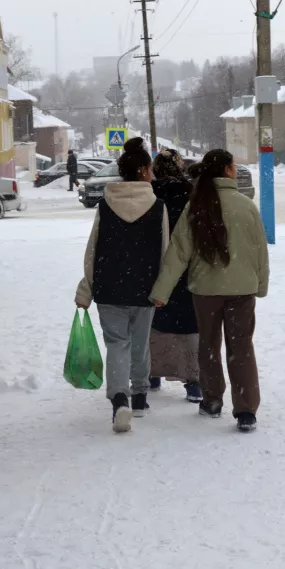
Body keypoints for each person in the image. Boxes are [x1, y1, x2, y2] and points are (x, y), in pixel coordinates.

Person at [150, 149, 269, 433]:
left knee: (209, 346)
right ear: (228, 170)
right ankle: (246, 411)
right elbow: (259, 252)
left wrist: (162, 290)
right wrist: (260, 286)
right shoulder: (246, 206)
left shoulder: (196, 205)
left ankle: (212, 400)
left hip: (205, 291)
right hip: (242, 290)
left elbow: (178, 253)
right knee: (242, 347)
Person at [75, 137, 168, 433]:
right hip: (145, 286)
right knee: (140, 343)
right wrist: (162, 289)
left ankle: (119, 399)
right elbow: (165, 251)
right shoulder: (158, 206)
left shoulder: (105, 205)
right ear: (143, 170)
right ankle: (139, 395)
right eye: (150, 168)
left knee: (117, 344)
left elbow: (93, 250)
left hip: (109, 285)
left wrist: (86, 289)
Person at [147, 148, 202, 403]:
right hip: (187, 271)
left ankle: (151, 374)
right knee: (189, 327)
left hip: (154, 269)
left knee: (153, 325)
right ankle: (193, 383)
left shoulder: (149, 194)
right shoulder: (192, 195)